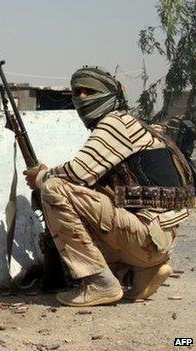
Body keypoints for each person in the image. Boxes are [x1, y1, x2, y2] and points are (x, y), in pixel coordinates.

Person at [24, 67, 194, 307]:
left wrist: (41, 177)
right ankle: (140, 274)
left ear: (110, 95)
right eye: (77, 92)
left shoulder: (115, 123)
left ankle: (99, 283)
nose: (82, 97)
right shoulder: (135, 124)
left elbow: (76, 174)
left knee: (54, 188)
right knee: (79, 201)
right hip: (157, 240)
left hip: (146, 235)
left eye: (90, 91)